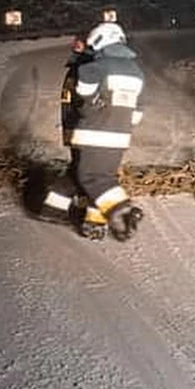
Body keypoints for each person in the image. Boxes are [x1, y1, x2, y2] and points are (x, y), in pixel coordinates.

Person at [65, 21, 146, 240]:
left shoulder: (98, 66)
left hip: (95, 130)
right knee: (104, 177)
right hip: (120, 135)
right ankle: (95, 223)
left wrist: (92, 106)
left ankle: (122, 209)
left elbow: (84, 90)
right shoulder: (137, 72)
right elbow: (138, 111)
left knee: (89, 177)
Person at [37, 34, 92, 225]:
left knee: (80, 168)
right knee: (88, 170)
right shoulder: (86, 69)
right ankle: (83, 214)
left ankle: (56, 208)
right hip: (83, 129)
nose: (75, 44)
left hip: (75, 127)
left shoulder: (77, 67)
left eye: (80, 42)